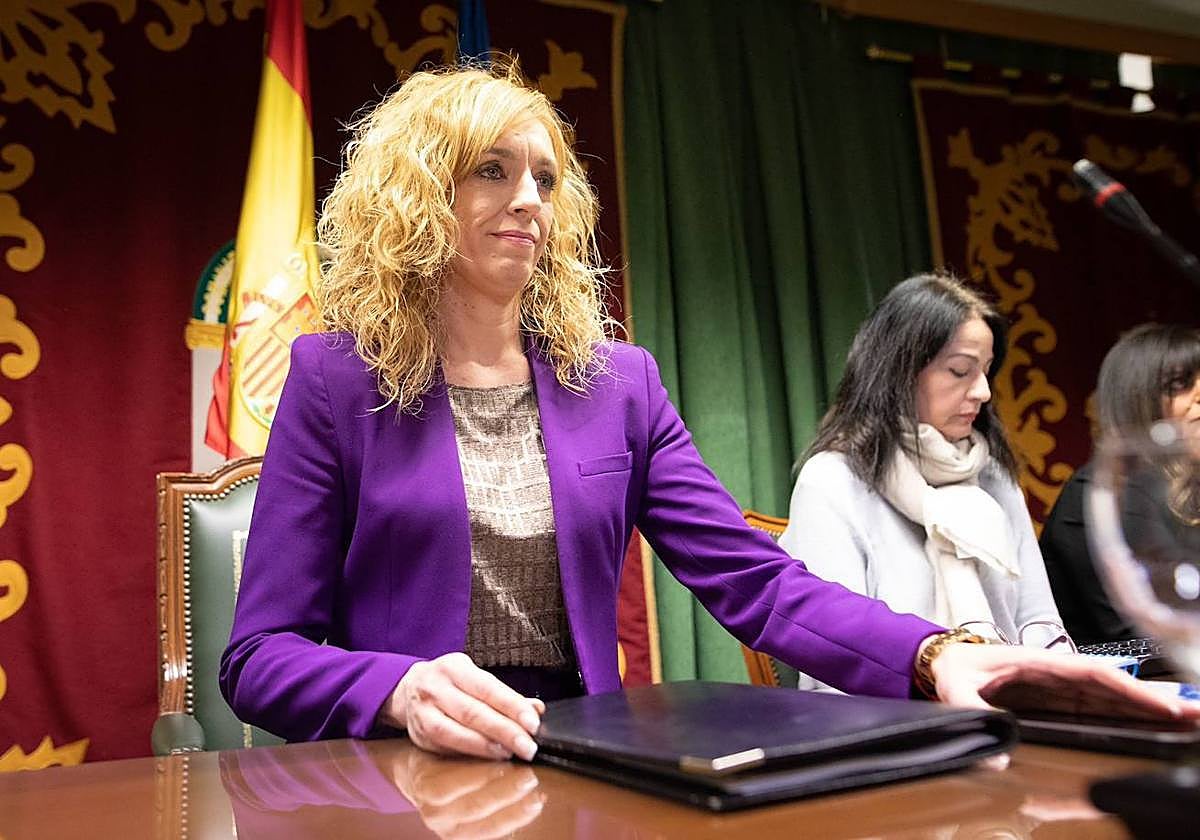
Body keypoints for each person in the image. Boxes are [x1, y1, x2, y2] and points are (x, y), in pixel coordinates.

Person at [219, 64, 1196, 764]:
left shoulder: (620, 386)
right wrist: (398, 687)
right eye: (491, 170)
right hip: (393, 765)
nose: (529, 200)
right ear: (417, 198)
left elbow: (758, 584)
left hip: (571, 755)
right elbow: (260, 658)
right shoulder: (332, 381)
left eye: (546, 178)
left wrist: (935, 654)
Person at [778, 274, 1065, 664]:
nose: (983, 392)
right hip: (886, 699)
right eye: (960, 371)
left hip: (1011, 692)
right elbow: (835, 653)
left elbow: (1038, 620)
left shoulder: (992, 476)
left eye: (986, 370)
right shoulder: (832, 482)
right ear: (898, 372)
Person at [1041, 323, 1200, 644]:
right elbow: (1143, 638)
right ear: (1137, 400)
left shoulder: (1188, 489)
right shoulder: (1097, 496)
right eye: (1180, 384)